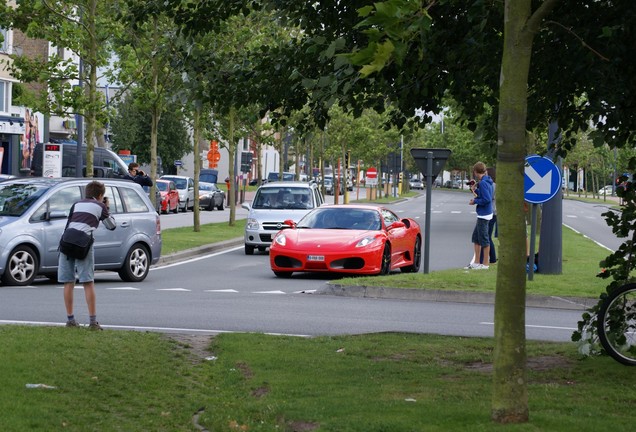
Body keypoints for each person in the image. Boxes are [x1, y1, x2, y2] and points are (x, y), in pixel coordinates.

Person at [60, 181, 116, 330]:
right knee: (88, 281)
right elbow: (111, 225)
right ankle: (92, 322)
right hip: (83, 244)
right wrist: (106, 207)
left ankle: (70, 320)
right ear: (99, 195)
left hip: (66, 242)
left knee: (68, 282)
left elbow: (69, 223)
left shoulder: (76, 204)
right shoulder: (100, 206)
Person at [465, 162, 494, 270]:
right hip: (484, 213)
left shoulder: (483, 183)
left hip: (484, 214)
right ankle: (476, 262)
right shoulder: (486, 181)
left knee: (484, 239)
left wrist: (475, 201)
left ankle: (485, 264)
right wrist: (474, 190)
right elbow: (484, 194)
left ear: (476, 172)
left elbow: (487, 199)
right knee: (476, 238)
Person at [479, 167, 497, 265]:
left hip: (491, 212)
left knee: (486, 236)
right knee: (487, 236)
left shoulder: (491, 185)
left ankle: (485, 260)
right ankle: (492, 258)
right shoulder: (493, 185)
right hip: (494, 212)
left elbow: (487, 198)